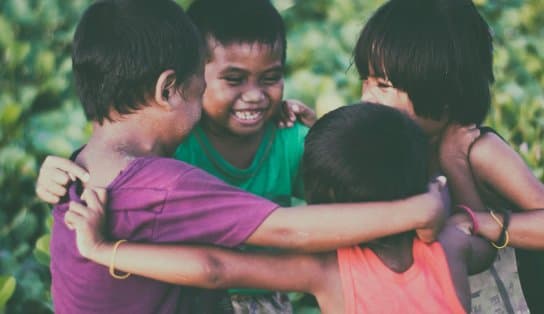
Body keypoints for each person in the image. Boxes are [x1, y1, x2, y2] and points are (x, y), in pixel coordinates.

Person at [49, 1, 448, 313]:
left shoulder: (83, 164)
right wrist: (418, 210)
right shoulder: (162, 183)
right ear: (168, 89)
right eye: (200, 84)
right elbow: (285, 231)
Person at [65, 103, 496, 314]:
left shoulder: (326, 270)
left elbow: (214, 267)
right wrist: (447, 185)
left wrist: (104, 249)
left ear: (322, 205)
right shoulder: (452, 244)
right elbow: (488, 244)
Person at [41, 0, 314, 310]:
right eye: (233, 80)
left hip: (266, 289)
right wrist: (57, 176)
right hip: (195, 291)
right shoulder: (173, 146)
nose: (254, 95)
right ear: (187, 78)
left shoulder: (290, 138)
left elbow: (336, 193)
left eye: (269, 79)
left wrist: (325, 138)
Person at [353, 0, 544, 312]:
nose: (366, 97)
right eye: (366, 80)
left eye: (383, 85)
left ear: (443, 96)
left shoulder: (479, 151)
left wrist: (481, 222)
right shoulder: (395, 147)